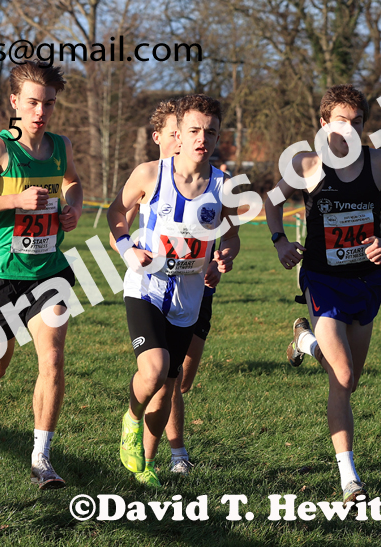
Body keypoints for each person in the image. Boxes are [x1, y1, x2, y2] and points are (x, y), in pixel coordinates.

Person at [264, 84, 381, 503]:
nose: (349, 128)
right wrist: (279, 240)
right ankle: (350, 479)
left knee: (348, 382)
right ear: (323, 123)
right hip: (322, 278)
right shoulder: (306, 163)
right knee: (343, 374)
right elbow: (272, 201)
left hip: (366, 279)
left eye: (357, 121)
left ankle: (305, 341)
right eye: (340, 121)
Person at [0, 60, 83, 490]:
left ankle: (42, 458)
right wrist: (14, 201)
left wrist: (73, 207)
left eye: (48, 103)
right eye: (32, 102)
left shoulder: (61, 146)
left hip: (50, 272)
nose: (40, 111)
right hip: (3, 275)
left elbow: (73, 182)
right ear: (14, 102)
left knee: (53, 359)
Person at [108, 94, 239, 487]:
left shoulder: (224, 186)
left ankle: (145, 465)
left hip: (188, 300)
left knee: (168, 388)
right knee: (154, 370)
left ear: (218, 137)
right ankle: (131, 419)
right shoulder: (151, 174)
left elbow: (231, 236)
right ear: (177, 134)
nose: (202, 138)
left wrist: (223, 259)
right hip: (146, 288)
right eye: (194, 130)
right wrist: (128, 249)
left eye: (210, 132)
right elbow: (116, 212)